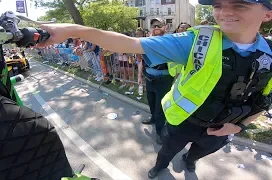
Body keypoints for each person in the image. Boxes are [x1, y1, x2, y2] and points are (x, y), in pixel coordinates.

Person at [37, 0, 272, 178]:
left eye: (240, 4)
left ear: (267, 13)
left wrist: (240, 126)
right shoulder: (198, 40)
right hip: (185, 121)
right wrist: (74, 30)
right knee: (167, 151)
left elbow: (264, 100)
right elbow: (129, 43)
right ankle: (159, 168)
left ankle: (190, 160)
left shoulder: (269, 54)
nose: (225, 12)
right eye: (218, 4)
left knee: (198, 153)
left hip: (223, 128)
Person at [138, 18, 174, 144]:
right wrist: (139, 76)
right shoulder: (147, 41)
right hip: (149, 78)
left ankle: (160, 132)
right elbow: (141, 60)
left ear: (164, 27)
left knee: (160, 108)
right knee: (152, 102)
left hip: (164, 80)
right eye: (153, 25)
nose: (156, 27)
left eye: (159, 25)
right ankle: (153, 118)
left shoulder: (170, 40)